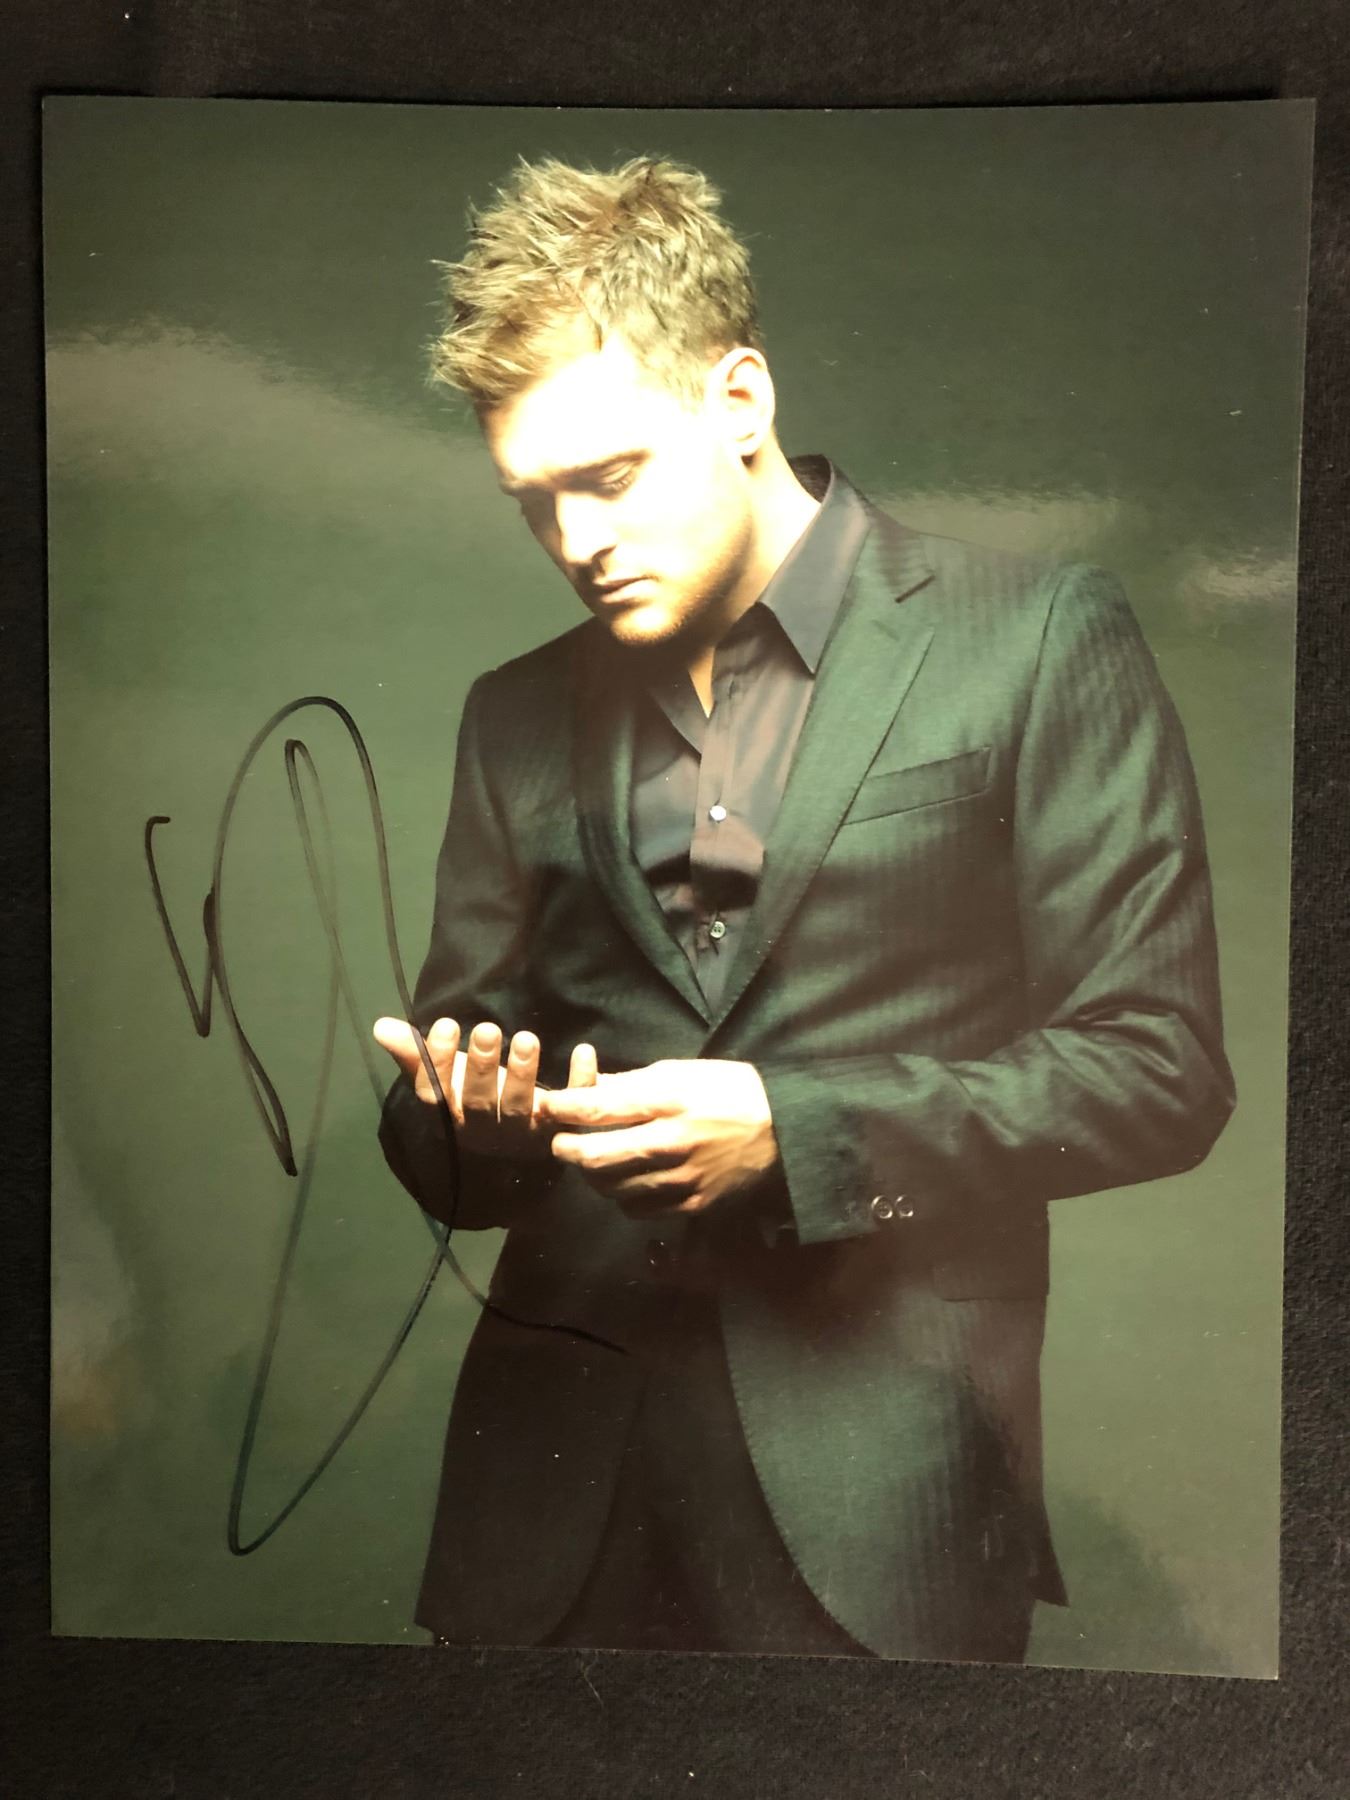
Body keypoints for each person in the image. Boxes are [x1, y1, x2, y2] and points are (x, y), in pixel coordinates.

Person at [373, 154, 1236, 1663]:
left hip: (885, 1517)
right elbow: (453, 1144)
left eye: (608, 478)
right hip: (548, 1516)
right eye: (534, 503)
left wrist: (801, 1134)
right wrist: (469, 1119)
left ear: (741, 398)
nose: (575, 543)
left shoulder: (1034, 640)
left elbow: (1160, 1070)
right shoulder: (510, 715)